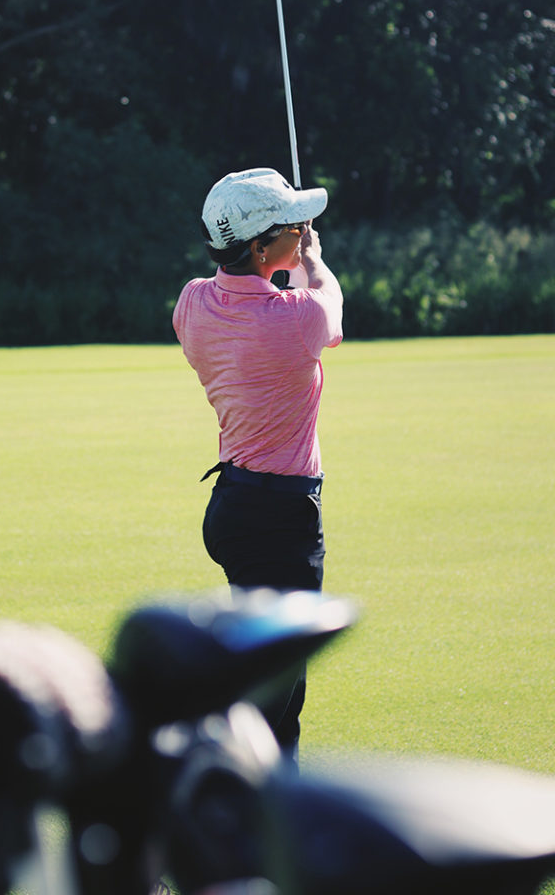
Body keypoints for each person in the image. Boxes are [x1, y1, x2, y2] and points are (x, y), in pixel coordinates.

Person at [172, 167, 343, 753]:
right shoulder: (297, 318)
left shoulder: (191, 303)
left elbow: (272, 296)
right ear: (262, 245)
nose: (303, 232)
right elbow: (332, 312)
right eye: (293, 227)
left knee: (261, 681)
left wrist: (289, 253)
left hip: (232, 511)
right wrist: (313, 262)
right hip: (280, 521)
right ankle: (260, 818)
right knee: (277, 702)